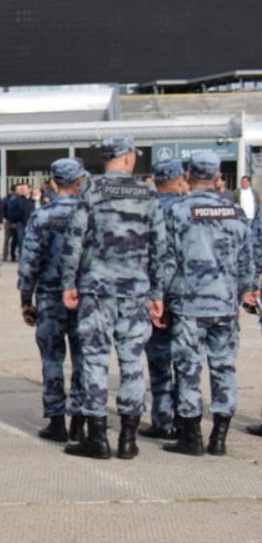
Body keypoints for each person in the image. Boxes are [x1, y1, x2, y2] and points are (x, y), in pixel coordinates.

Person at [59, 135, 172, 461]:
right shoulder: (147, 192)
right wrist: (157, 292)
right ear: (126, 158)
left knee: (94, 361)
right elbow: (159, 246)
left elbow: (74, 239)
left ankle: (96, 438)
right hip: (134, 291)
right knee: (132, 363)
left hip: (97, 289)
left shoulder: (91, 189)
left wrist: (69, 281)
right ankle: (127, 439)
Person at [161, 151, 257, 457]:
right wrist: (242, 292)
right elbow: (247, 261)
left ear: (188, 174)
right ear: (218, 176)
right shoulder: (234, 212)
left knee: (188, 369)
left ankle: (191, 438)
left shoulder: (177, 211)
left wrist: (161, 298)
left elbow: (166, 261)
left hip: (188, 305)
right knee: (223, 367)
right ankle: (219, 436)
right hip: (225, 305)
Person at [19, 159, 89, 443]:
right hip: (84, 297)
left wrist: (26, 298)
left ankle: (57, 420)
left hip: (49, 296)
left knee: (52, 358)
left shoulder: (42, 216)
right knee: (84, 358)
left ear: (53, 182)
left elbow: (29, 261)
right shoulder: (90, 214)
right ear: (80, 181)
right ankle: (80, 420)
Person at [143, 157, 190, 440]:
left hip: (153, 295)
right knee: (185, 359)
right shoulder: (187, 209)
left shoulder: (146, 210)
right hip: (185, 294)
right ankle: (186, 417)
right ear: (179, 178)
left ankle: (162, 419)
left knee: (158, 359)